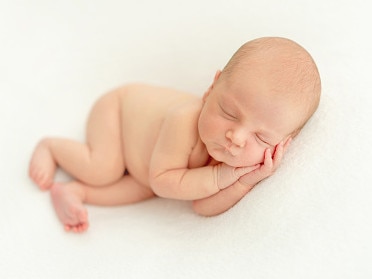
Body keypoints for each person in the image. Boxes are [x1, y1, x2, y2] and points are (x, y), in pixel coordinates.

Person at [29, 37, 321, 233]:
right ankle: (52, 147)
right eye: (229, 113)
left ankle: (74, 192)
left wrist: (244, 180)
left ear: (281, 145)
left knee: (142, 188)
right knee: (105, 168)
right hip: (117, 113)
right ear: (212, 88)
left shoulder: (235, 156)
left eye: (262, 138)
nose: (237, 137)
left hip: (149, 167)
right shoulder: (185, 120)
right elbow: (165, 181)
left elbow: (202, 205)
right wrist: (221, 177)